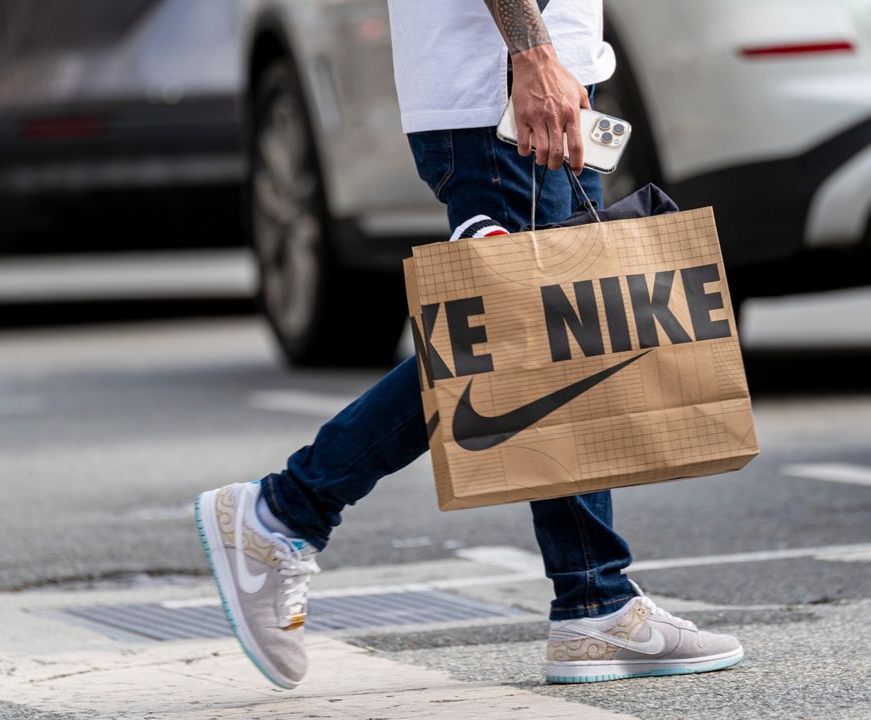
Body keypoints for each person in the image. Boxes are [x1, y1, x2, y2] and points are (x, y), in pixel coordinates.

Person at [194, 0, 743, 690]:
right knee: (525, 342)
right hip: (506, 95)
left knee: (550, 345)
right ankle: (285, 510)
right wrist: (532, 53)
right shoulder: (522, 69)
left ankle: (593, 600)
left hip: (533, 83)